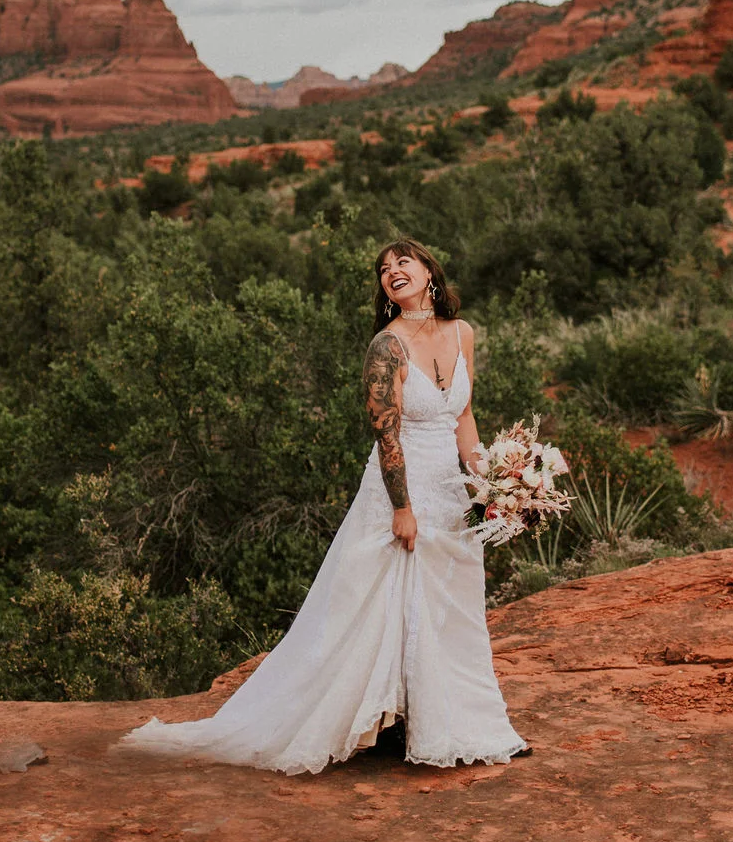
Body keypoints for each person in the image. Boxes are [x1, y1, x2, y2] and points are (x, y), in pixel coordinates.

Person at [117, 238, 528, 774]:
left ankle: (470, 726)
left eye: (403, 261)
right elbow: (387, 435)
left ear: (430, 271)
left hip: (450, 491)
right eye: (383, 269)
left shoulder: (463, 332)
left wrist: (495, 485)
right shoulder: (386, 347)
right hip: (398, 489)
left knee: (452, 610)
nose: (391, 271)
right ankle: (370, 719)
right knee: (375, 607)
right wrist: (402, 509)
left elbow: (465, 418)